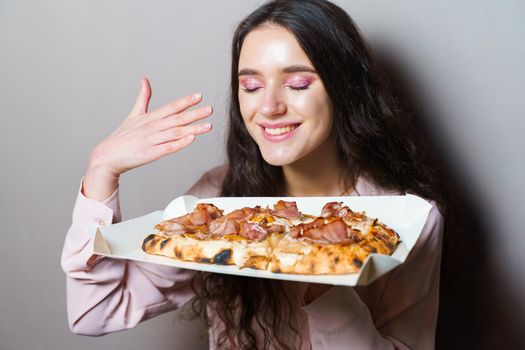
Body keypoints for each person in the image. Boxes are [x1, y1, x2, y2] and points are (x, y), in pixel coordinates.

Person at [61, 0, 448, 349]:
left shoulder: (409, 218)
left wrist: (325, 277)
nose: (269, 106)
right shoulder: (216, 200)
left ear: (343, 88)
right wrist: (101, 170)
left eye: (297, 83)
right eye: (251, 85)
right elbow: (94, 313)